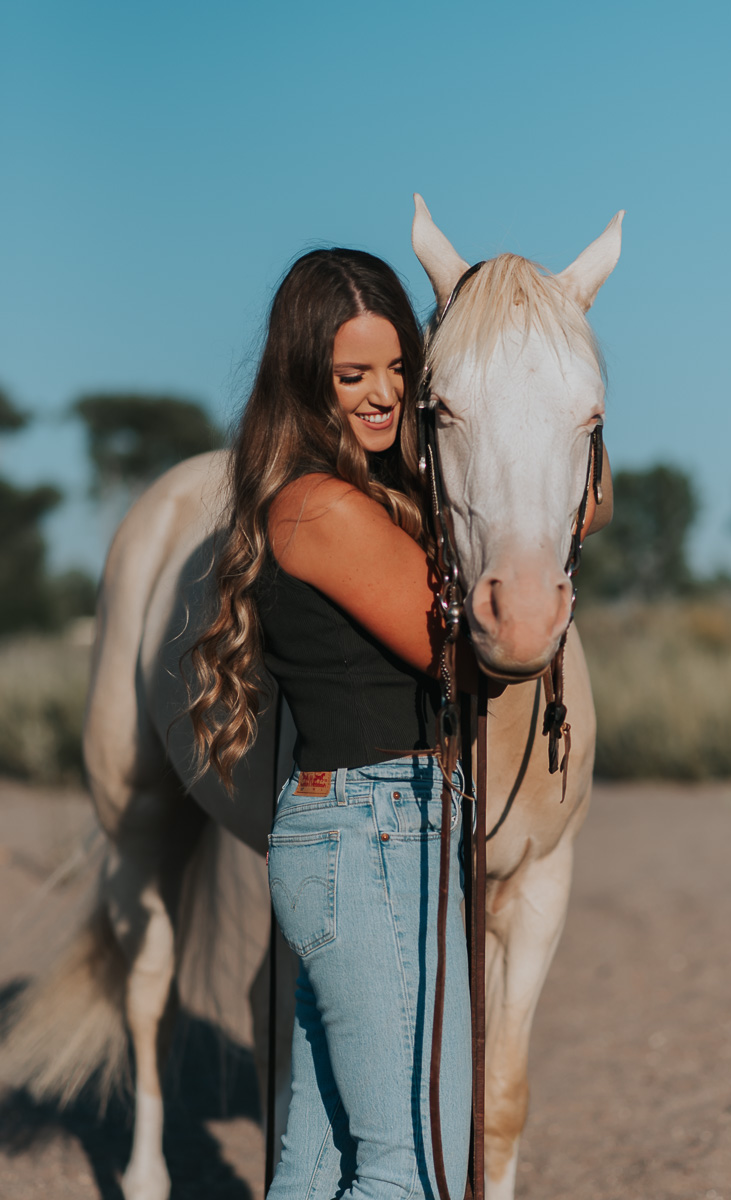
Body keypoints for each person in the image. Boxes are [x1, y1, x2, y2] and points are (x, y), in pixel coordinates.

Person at [188, 248, 492, 1200]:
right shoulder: (322, 507)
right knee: (411, 1171)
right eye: (353, 374)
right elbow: (464, 655)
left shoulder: (345, 494)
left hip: (357, 834)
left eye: (398, 368)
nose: (383, 394)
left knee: (317, 1168)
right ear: (303, 377)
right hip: (376, 833)